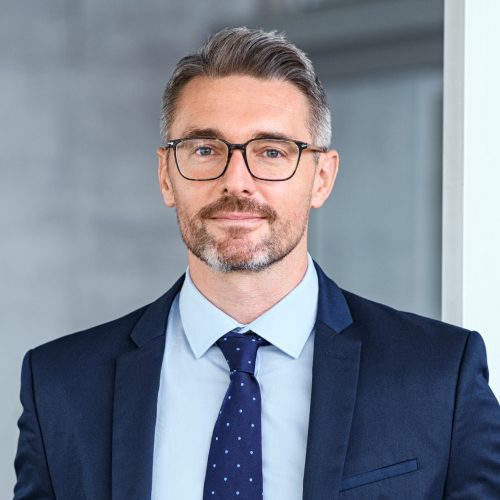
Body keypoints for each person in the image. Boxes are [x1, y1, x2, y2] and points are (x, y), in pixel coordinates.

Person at [13, 27, 500, 500]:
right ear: (166, 175)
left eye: (271, 151)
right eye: (205, 150)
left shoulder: (439, 378)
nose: (237, 181)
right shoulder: (61, 386)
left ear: (321, 178)